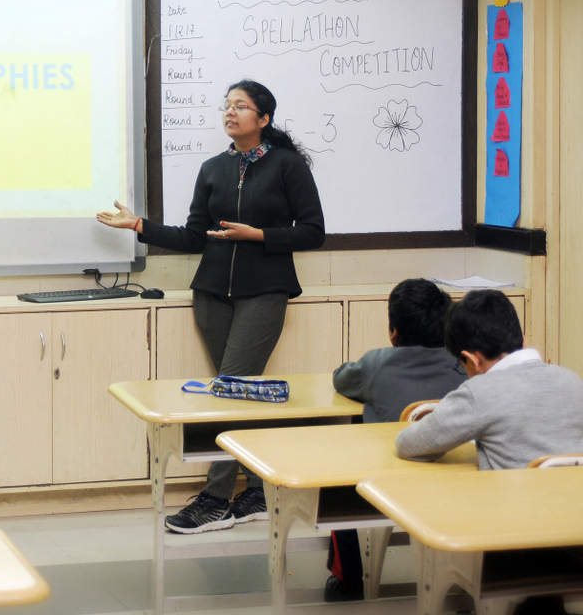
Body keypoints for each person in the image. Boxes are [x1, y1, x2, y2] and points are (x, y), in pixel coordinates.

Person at [97, 79, 325, 533]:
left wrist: (257, 236)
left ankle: (216, 498)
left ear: (263, 119)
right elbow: (193, 237)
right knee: (239, 395)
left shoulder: (287, 165)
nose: (230, 112)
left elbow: (313, 230)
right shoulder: (213, 168)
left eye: (241, 106)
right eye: (226, 106)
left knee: (228, 389)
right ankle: (259, 489)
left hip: (265, 292)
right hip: (212, 295)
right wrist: (140, 225)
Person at [395, 289, 583, 615]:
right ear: (522, 338)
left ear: (472, 359)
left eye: (461, 365)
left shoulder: (479, 392)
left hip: (519, 550)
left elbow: (410, 445)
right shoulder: (571, 380)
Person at [325, 278, 466, 601]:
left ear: (393, 331)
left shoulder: (377, 364)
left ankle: (347, 580)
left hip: (386, 488)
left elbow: (340, 378)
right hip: (457, 485)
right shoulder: (464, 365)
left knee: (339, 474)